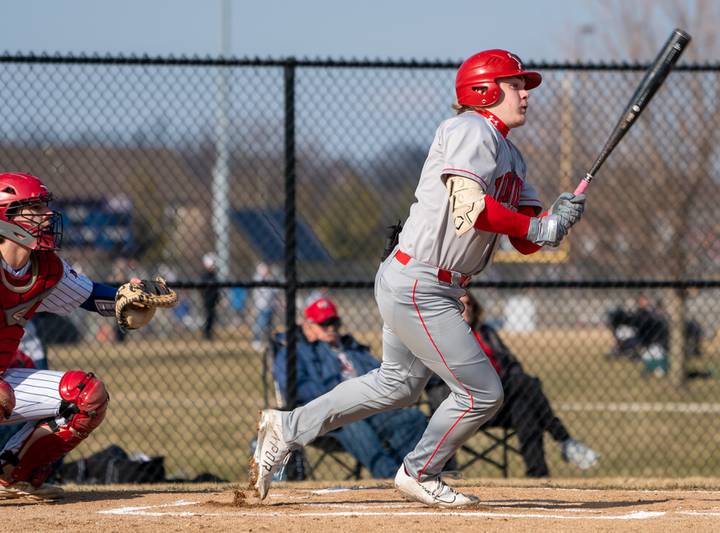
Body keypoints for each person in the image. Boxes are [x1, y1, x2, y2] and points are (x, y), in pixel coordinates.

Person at [251, 49, 587, 508]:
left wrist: (554, 220)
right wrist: (537, 226)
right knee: (482, 393)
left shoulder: (512, 154)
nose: (525, 93)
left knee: (397, 385)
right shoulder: (470, 130)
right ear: (484, 90)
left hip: (428, 282)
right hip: (421, 281)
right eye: (514, 84)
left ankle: (287, 427)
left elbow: (527, 240)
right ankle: (420, 470)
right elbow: (472, 210)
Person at [0, 172, 169, 508]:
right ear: (3, 217)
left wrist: (128, 298)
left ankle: (8, 476)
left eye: (43, 207)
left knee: (85, 396)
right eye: (32, 209)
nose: (45, 216)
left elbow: (90, 296)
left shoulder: (45, 268)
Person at [425, 293, 599, 477]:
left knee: (524, 408)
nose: (465, 308)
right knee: (523, 384)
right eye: (460, 305)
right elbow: (434, 379)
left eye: (469, 304)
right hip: (465, 403)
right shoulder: (441, 337)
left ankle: (538, 477)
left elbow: (512, 364)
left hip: (498, 400)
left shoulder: (485, 332)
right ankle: (564, 440)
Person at [272, 297, 428, 479]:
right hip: (331, 416)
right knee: (353, 421)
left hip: (373, 408)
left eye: (334, 322)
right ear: (308, 326)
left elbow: (382, 374)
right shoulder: (294, 351)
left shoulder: (352, 348)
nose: (331, 328)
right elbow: (297, 388)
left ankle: (412, 474)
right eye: (324, 324)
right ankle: (390, 476)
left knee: (412, 418)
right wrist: (340, 401)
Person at [251, 262, 279, 352]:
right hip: (261, 306)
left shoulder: (270, 279)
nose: (265, 271)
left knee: (269, 326)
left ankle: (268, 342)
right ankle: (256, 341)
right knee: (260, 324)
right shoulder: (257, 279)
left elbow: (275, 291)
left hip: (270, 306)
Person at [200, 253, 220, 340]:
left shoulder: (214, 275)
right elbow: (202, 289)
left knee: (212, 317)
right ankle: (207, 334)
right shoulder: (205, 276)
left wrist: (218, 298)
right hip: (207, 299)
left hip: (213, 299)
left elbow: (216, 288)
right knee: (209, 316)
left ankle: (208, 333)